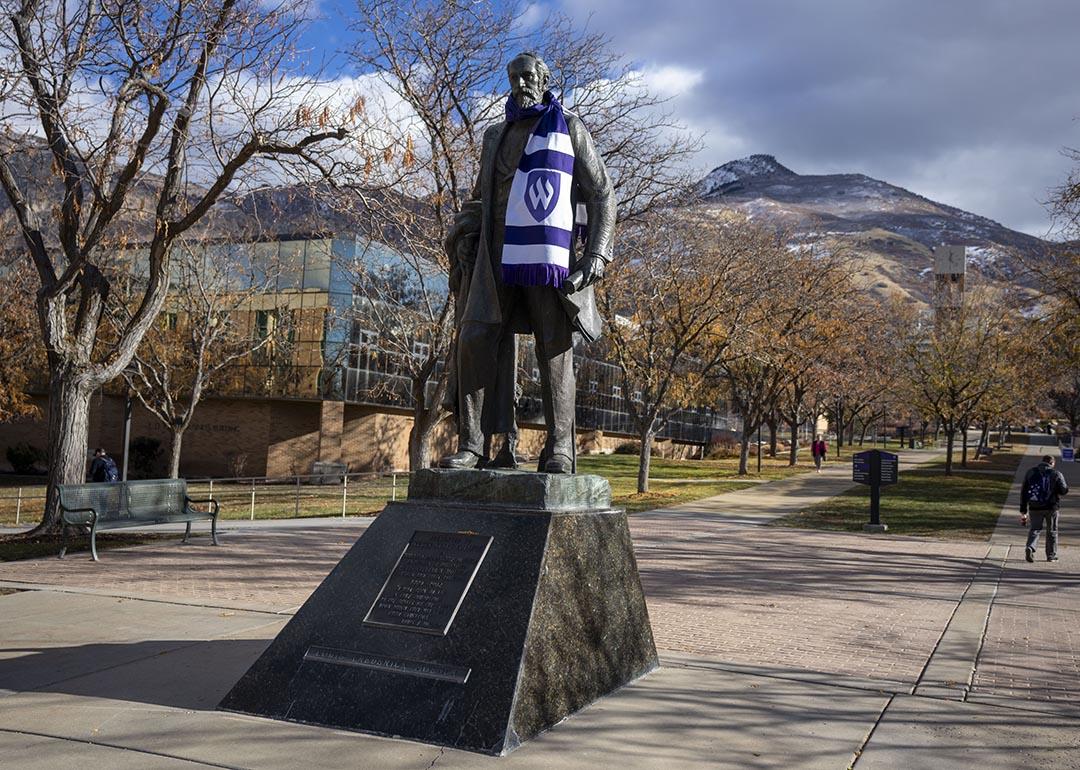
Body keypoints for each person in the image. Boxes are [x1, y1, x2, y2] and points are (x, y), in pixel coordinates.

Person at [439, 51, 616, 474]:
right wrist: (464, 232)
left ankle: (559, 448)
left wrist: (597, 253)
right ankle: (473, 445)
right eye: (514, 77)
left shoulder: (569, 129)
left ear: (545, 78)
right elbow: (481, 197)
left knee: (553, 346)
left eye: (528, 77)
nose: (520, 85)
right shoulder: (494, 136)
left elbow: (603, 194)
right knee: (474, 337)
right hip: (495, 255)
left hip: (546, 254)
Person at [1020, 454, 1068, 563]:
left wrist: (1023, 510)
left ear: (1042, 462)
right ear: (1052, 463)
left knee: (1035, 529)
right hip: (1051, 508)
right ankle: (1051, 556)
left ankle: (1030, 547)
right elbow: (1064, 490)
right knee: (1052, 531)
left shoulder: (1031, 472)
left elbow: (1024, 491)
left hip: (1034, 507)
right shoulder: (1056, 474)